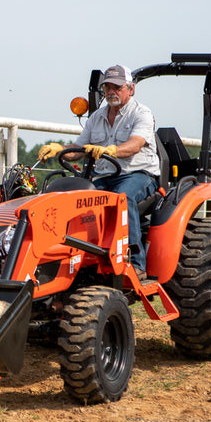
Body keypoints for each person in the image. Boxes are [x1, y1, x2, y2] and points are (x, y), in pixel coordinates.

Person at [37, 64, 160, 274]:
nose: (111, 91)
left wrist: (111, 150)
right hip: (104, 175)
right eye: (108, 87)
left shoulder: (142, 114)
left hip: (138, 174)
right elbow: (79, 150)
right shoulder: (96, 117)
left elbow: (136, 144)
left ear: (131, 89)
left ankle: (135, 263)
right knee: (75, 200)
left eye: (117, 87)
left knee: (122, 198)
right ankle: (75, 258)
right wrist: (60, 149)